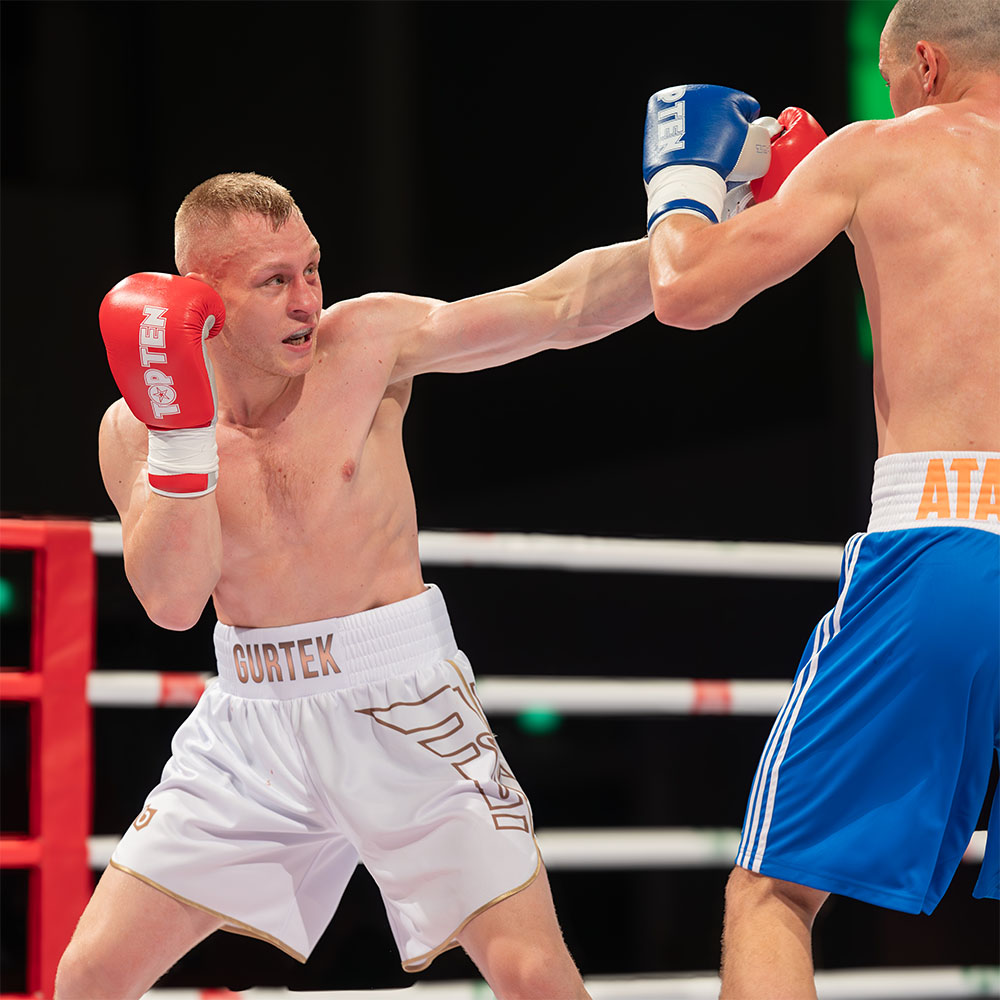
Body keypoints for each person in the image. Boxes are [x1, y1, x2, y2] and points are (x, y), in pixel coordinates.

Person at [55, 171, 655, 1000]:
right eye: (275, 281)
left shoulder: (365, 344)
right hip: (252, 723)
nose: (307, 301)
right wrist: (183, 438)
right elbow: (172, 602)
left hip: (403, 698)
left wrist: (695, 229)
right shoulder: (136, 428)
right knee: (88, 975)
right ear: (202, 298)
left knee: (532, 975)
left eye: (312, 269)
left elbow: (558, 308)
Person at [640, 1, 999, 997]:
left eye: (892, 84)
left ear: (925, 62)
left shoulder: (877, 153)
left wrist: (685, 183)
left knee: (772, 894)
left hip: (947, 543)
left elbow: (685, 290)